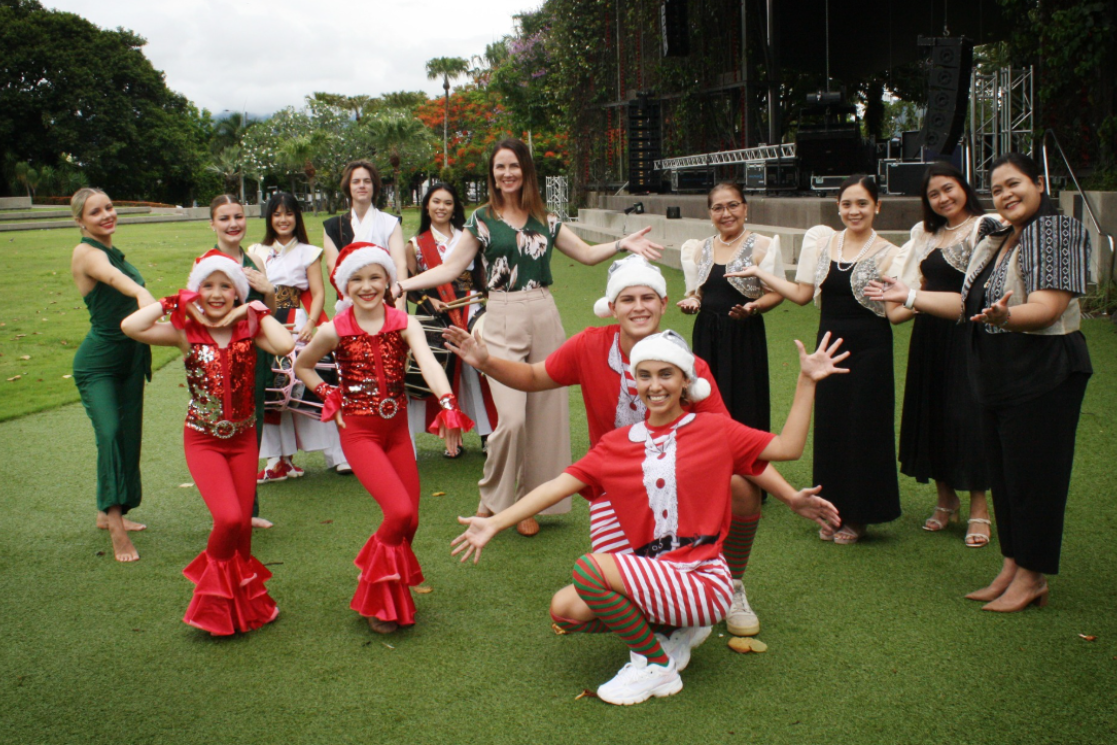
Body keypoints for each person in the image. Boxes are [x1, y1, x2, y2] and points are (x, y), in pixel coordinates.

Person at [443, 254, 839, 637]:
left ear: (664, 303)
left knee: (741, 487)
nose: (639, 307)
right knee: (590, 599)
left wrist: (790, 497)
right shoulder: (589, 351)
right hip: (616, 483)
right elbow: (532, 378)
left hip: (682, 483)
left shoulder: (690, 369)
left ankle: (731, 586)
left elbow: (743, 450)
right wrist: (486, 361)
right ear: (612, 307)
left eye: (648, 297)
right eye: (628, 299)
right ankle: (670, 627)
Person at [451, 330, 845, 705]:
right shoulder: (616, 445)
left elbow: (789, 447)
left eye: (666, 374)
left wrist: (807, 381)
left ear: (686, 381)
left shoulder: (714, 430)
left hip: (703, 581)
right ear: (633, 382)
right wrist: (494, 521)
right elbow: (556, 486)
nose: (655, 385)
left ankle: (656, 664)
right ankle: (667, 632)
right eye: (644, 375)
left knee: (590, 571)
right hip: (658, 575)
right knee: (564, 610)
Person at [397, 138, 662, 537]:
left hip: (543, 312)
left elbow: (586, 255)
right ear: (493, 174)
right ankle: (492, 496)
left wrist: (621, 244)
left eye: (514, 167)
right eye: (500, 167)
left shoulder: (547, 218)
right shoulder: (482, 219)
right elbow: (451, 268)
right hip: (501, 312)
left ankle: (528, 503)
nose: (507, 174)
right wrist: (403, 284)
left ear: (526, 172)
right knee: (513, 420)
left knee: (545, 416)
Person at [867, 152, 1091, 612]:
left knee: (1034, 480)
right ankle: (1012, 566)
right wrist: (908, 295)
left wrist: (1007, 317)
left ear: (1039, 184)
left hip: (1043, 372)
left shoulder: (1058, 231)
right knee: (1006, 479)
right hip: (995, 373)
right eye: (1000, 188)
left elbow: (1047, 308)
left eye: (1016, 184)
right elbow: (967, 305)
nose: (1007, 195)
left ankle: (1033, 577)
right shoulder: (997, 236)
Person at [295, 242, 471, 633]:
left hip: (397, 432)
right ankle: (375, 593)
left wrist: (447, 402)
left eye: (375, 277)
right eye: (356, 279)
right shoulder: (333, 328)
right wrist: (328, 395)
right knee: (398, 513)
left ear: (389, 280)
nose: (367, 286)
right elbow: (303, 365)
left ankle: (389, 594)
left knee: (412, 522)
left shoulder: (403, 322)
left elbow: (427, 362)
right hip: (359, 434)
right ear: (343, 286)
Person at [121, 250, 294, 634]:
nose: (216, 294)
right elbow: (131, 326)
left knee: (243, 533)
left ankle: (245, 609)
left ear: (237, 291)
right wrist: (170, 302)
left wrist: (253, 309)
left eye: (225, 286)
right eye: (207, 286)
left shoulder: (250, 327)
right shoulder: (185, 331)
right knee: (231, 518)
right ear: (196, 291)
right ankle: (208, 601)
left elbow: (283, 346)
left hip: (244, 437)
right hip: (204, 439)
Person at [727, 175, 905, 544]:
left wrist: (917, 298)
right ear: (838, 207)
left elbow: (895, 313)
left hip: (871, 352)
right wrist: (762, 273)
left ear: (877, 207)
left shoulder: (890, 251)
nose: (853, 211)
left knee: (864, 430)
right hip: (827, 350)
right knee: (831, 428)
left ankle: (859, 516)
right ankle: (831, 510)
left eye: (861, 204)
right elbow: (802, 294)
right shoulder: (824, 244)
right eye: (847, 204)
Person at [891, 163, 999, 546]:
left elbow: (981, 289)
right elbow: (919, 285)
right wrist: (900, 303)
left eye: (948, 189)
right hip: (929, 334)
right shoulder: (925, 232)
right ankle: (944, 499)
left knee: (967, 415)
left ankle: (979, 510)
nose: (943, 198)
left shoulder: (987, 225)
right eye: (934, 194)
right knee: (931, 410)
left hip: (968, 334)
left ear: (964, 188)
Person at [70, 188, 155, 562]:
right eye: (95, 211)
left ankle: (109, 512)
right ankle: (117, 530)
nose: (106, 215)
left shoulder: (113, 250)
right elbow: (115, 280)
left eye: (109, 207)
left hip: (131, 359)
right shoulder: (86, 253)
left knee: (128, 435)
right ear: (80, 221)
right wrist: (141, 292)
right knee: (109, 434)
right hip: (98, 364)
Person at [248, 192, 349, 480]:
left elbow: (317, 293)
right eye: (277, 214)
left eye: (289, 213)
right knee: (270, 388)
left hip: (297, 323)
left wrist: (312, 322)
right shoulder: (256, 250)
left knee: (311, 384)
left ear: (297, 217)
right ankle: (276, 460)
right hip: (267, 323)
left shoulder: (308, 251)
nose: (283, 219)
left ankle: (338, 455)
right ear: (269, 218)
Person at [678, 182, 784, 438]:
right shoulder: (700, 248)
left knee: (744, 399)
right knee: (705, 397)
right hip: (706, 334)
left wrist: (753, 307)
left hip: (743, 334)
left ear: (745, 208)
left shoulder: (763, 245)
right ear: (710, 213)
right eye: (718, 208)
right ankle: (709, 458)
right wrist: (694, 301)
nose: (726, 214)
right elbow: (698, 291)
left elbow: (777, 293)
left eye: (733, 205)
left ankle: (748, 463)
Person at [404, 182, 496, 457]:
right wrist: (427, 300)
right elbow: (409, 286)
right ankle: (451, 436)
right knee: (443, 370)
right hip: (436, 314)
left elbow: (482, 274)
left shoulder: (469, 237)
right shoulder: (415, 244)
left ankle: (489, 433)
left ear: (455, 207)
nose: (441, 207)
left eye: (447, 202)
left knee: (477, 368)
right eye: (436, 202)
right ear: (427, 206)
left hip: (470, 308)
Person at [208, 195, 277, 528]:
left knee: (254, 429)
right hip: (223, 359)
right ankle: (227, 510)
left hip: (256, 356)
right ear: (213, 224)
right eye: (224, 218)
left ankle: (248, 511)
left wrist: (270, 290)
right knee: (224, 433)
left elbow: (269, 315)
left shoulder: (254, 261)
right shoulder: (207, 263)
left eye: (238, 216)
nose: (233, 224)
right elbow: (205, 317)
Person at [322, 160, 407, 305]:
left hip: (387, 300)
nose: (362, 185)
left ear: (374, 186)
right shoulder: (333, 226)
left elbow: (400, 265)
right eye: (356, 181)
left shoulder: (391, 223)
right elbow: (333, 269)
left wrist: (399, 304)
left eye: (367, 181)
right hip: (350, 301)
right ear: (348, 186)